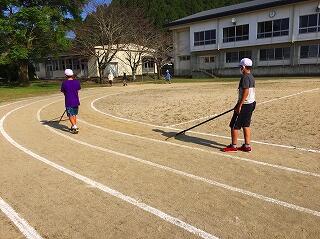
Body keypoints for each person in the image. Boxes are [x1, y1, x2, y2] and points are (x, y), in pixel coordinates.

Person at [223, 58, 256, 152]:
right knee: (246, 124)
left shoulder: (245, 77)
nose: (240, 69)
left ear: (244, 67)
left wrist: (239, 105)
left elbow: (246, 92)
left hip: (245, 104)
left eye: (241, 67)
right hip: (251, 103)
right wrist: (238, 104)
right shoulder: (251, 76)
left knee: (234, 125)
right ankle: (247, 145)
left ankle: (233, 146)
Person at [61, 69, 81, 134]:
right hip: (76, 100)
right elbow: (77, 90)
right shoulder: (76, 82)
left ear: (66, 75)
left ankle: (75, 126)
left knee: (70, 115)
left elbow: (64, 92)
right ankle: (73, 126)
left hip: (69, 101)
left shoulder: (64, 83)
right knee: (74, 114)